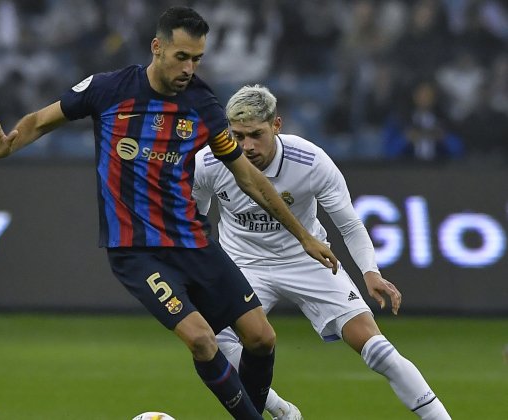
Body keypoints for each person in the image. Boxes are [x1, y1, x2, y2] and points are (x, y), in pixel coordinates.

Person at [0, 6, 338, 419]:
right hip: (136, 250)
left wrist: (304, 236)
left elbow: (248, 178)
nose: (189, 67)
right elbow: (41, 120)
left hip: (193, 241)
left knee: (261, 338)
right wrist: (8, 145)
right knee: (202, 340)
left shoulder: (202, 102)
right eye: (182, 56)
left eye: (197, 58)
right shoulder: (109, 89)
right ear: (157, 47)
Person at [193, 84, 452, 420]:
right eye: (238, 136)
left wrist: (370, 272)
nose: (246, 146)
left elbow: (350, 224)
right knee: (210, 341)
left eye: (255, 134)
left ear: (277, 125)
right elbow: (195, 221)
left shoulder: (310, 161)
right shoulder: (209, 161)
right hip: (243, 264)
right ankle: (282, 411)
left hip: (308, 260)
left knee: (376, 348)